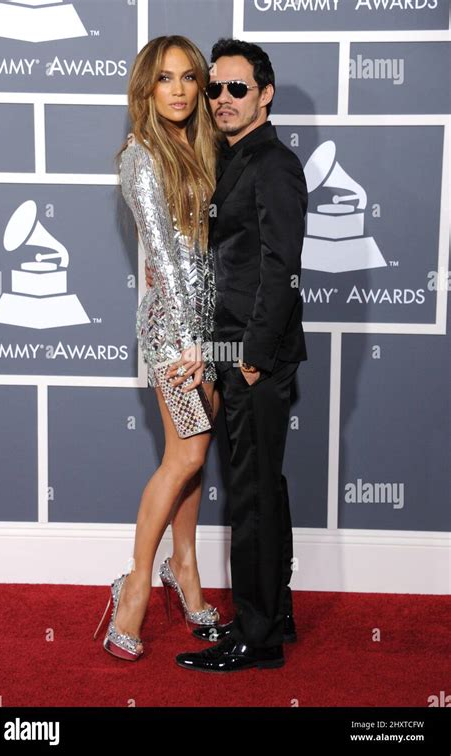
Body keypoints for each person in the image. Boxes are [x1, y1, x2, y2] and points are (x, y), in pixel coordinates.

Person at [147, 38, 308, 672]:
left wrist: (254, 355)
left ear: (265, 95)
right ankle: (274, 614)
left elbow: (280, 266)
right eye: (215, 88)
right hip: (234, 347)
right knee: (261, 488)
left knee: (251, 495)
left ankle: (258, 636)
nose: (220, 99)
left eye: (235, 88)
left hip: (254, 354)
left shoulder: (273, 164)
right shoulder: (236, 159)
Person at [93, 35, 224, 661]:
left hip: (212, 331)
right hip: (175, 333)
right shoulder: (141, 155)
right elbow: (167, 261)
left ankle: (187, 568)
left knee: (193, 457)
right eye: (165, 78)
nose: (178, 89)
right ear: (145, 88)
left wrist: (214, 332)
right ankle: (138, 584)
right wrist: (188, 339)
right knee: (187, 454)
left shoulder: (200, 146)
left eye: (189, 78)